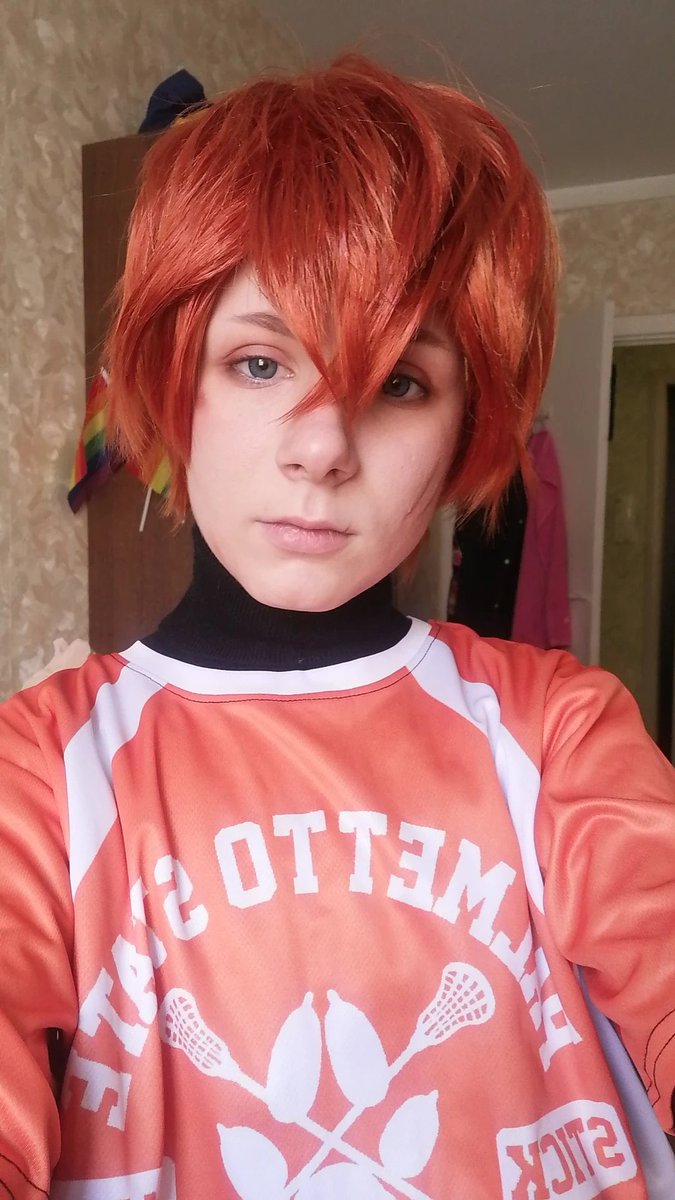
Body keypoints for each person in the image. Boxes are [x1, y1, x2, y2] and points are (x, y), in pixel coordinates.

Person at [1, 54, 674, 1200]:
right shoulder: (40, 769)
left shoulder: (557, 727)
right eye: (261, 362)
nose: (322, 447)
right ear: (175, 385)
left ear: (465, 425)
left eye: (399, 383)